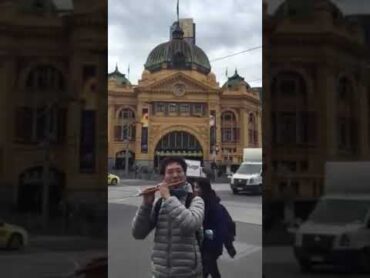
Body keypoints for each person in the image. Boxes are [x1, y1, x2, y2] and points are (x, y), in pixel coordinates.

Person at [132, 156, 205, 278]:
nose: (175, 175)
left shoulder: (195, 200)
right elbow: (138, 234)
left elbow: (190, 225)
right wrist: (146, 204)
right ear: (164, 177)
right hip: (160, 273)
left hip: (189, 273)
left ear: (185, 174)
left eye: (179, 171)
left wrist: (168, 197)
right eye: (170, 172)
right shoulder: (159, 203)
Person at [193, 178, 236, 278]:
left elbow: (222, 227)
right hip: (205, 246)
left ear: (204, 188)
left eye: (197, 187)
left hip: (211, 246)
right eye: (194, 187)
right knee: (208, 270)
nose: (195, 190)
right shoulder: (198, 203)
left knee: (207, 269)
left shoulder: (213, 206)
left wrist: (229, 246)